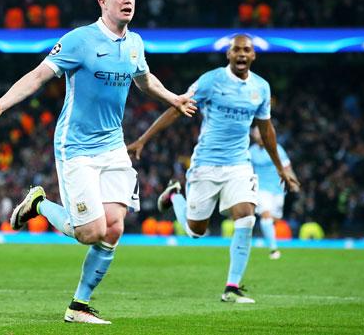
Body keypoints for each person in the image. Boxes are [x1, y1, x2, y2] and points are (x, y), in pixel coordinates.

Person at [0, 0, 196, 325]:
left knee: (115, 227)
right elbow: (39, 75)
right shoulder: (79, 40)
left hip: (112, 146)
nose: (128, 1)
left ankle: (79, 306)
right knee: (91, 232)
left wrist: (174, 99)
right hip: (75, 146)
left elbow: (144, 79)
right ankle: (39, 204)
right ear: (102, 2)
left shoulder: (134, 44)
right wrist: (3, 103)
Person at [127, 34, 300, 304]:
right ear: (228, 55)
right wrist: (143, 140)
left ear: (253, 56)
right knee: (195, 231)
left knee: (246, 216)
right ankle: (175, 195)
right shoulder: (210, 81)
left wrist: (280, 168)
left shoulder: (261, 88)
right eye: (236, 50)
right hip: (205, 164)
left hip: (239, 165)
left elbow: (266, 130)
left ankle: (232, 287)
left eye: (247, 50)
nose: (242, 54)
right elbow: (177, 107)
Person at [249, 126, 299, 260]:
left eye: (260, 133)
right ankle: (273, 249)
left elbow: (287, 167)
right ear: (254, 136)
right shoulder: (251, 152)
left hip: (278, 190)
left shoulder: (276, 148)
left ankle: (272, 240)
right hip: (261, 189)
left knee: (274, 218)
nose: (259, 136)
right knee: (266, 215)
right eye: (256, 134)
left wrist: (293, 182)